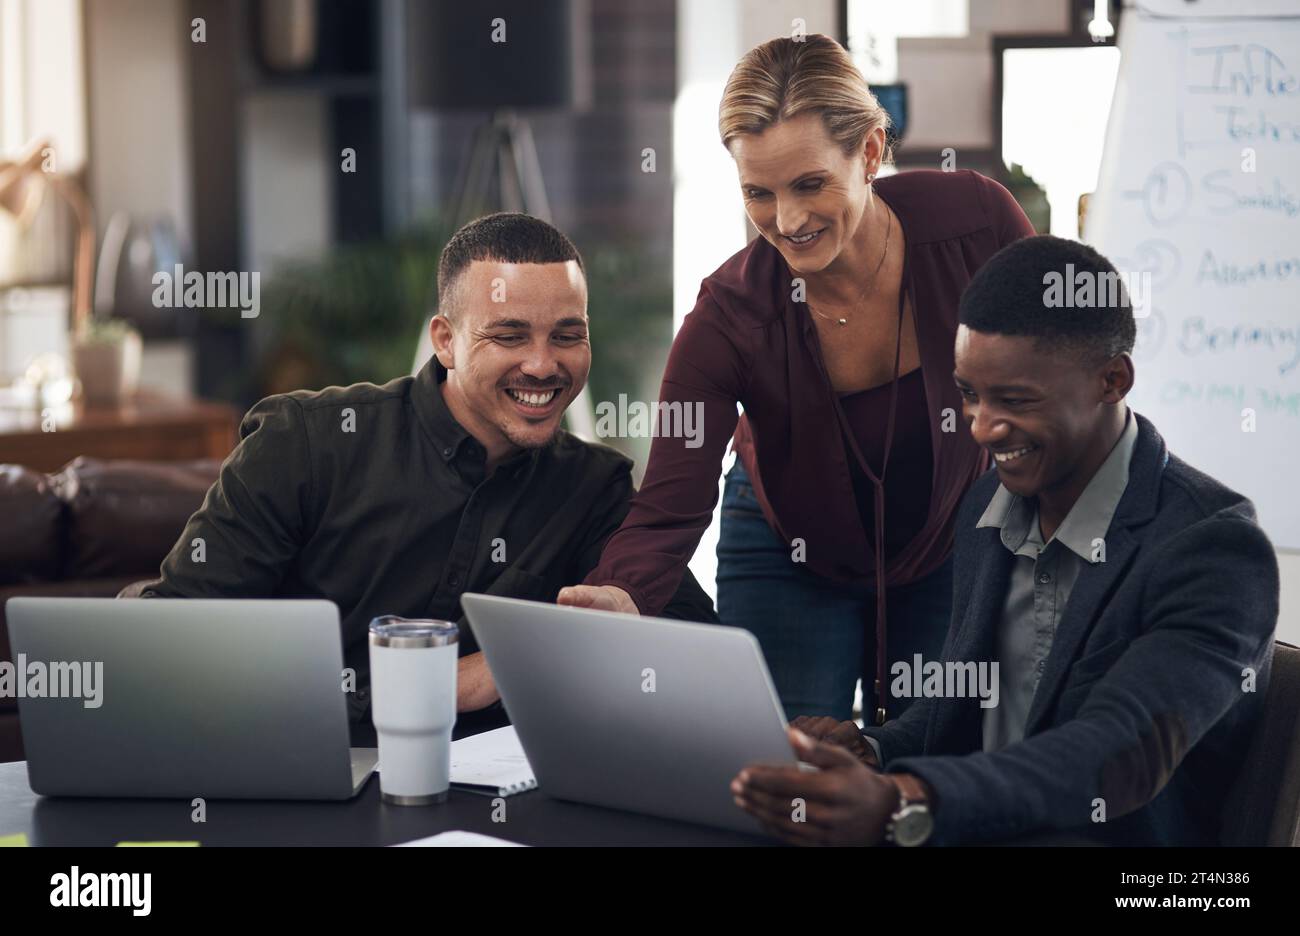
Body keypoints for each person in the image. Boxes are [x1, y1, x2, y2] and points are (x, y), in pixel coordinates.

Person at [731, 235, 1278, 846]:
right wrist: (871, 750)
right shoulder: (987, 510)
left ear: (1112, 380)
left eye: (1015, 401)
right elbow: (961, 717)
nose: (983, 428)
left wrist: (906, 799)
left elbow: (1116, 752)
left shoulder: (1215, 549)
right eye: (969, 394)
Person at [558, 34, 1035, 724]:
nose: (787, 221)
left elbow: (1062, 371)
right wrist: (621, 594)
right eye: (759, 192)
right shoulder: (729, 317)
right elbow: (669, 506)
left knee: (926, 769)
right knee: (788, 778)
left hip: (946, 540)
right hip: (788, 547)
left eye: (810, 184)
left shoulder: (977, 225)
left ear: (870, 153)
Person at [139, 213, 717, 739]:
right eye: (509, 335)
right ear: (446, 340)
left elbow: (700, 651)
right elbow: (171, 650)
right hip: (296, 778)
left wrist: (548, 651)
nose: (543, 365)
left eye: (567, 335)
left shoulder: (596, 487)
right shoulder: (304, 443)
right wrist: (432, 682)